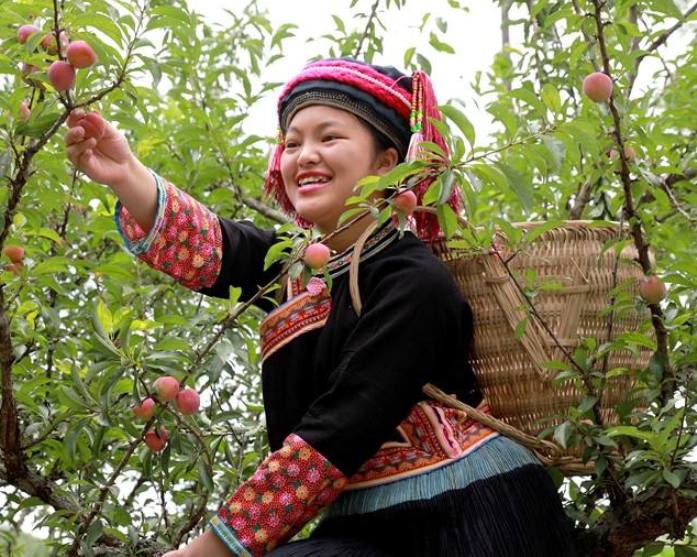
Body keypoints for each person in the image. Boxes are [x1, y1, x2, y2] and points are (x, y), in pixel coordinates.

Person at [65, 58, 580, 557]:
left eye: (329, 137)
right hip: (364, 521)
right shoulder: (298, 269)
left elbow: (342, 426)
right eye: (292, 143)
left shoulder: (414, 281)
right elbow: (217, 249)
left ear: (386, 162)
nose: (304, 155)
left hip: (462, 513)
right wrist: (125, 173)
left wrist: (212, 549)